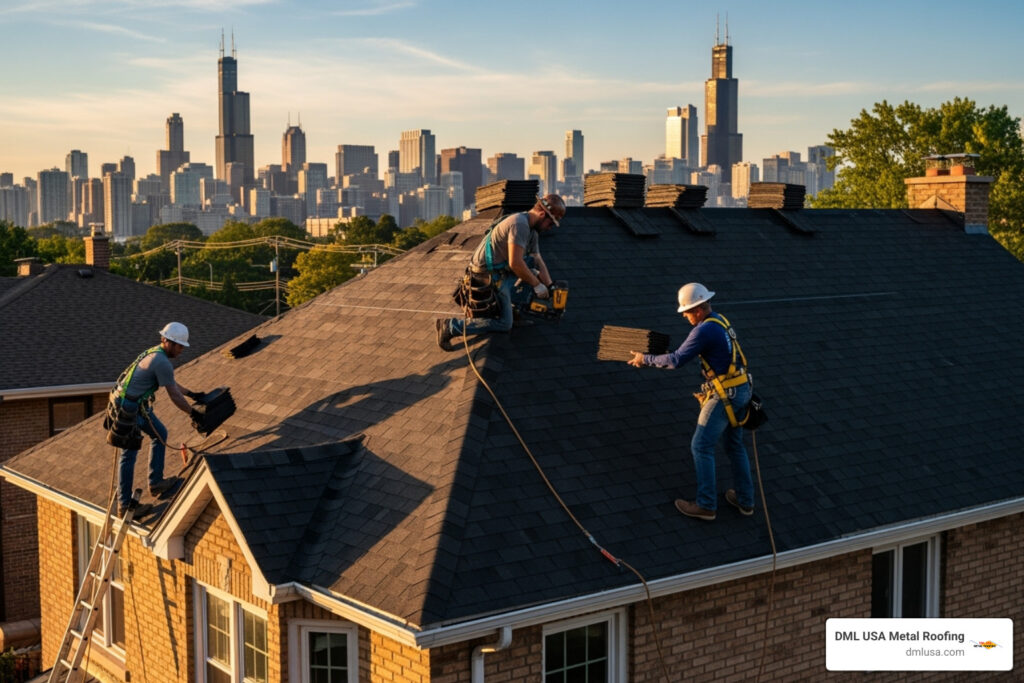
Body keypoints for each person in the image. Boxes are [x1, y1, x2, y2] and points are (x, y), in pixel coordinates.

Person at [627, 283, 755, 521]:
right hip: (741, 389)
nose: (684, 316)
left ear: (697, 309)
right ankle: (745, 501)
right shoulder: (720, 321)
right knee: (735, 446)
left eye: (686, 311)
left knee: (701, 446)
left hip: (725, 395)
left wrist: (645, 359)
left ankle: (706, 505)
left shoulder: (703, 331)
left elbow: (676, 359)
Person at [436, 194, 566, 350]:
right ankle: (450, 327)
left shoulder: (532, 231)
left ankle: (514, 308)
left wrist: (550, 286)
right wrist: (537, 285)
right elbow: (515, 263)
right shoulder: (519, 224)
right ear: (542, 214)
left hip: (500, 270)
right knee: (505, 324)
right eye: (551, 223)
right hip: (486, 276)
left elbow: (538, 260)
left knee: (532, 268)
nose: (550, 227)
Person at [111, 322, 203, 517]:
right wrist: (193, 413)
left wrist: (193, 394)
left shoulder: (156, 354)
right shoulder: (161, 361)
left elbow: (171, 382)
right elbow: (174, 396)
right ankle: (125, 506)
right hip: (128, 408)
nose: (181, 351)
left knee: (160, 433)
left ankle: (156, 483)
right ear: (167, 342)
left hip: (135, 404)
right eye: (179, 346)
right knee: (129, 454)